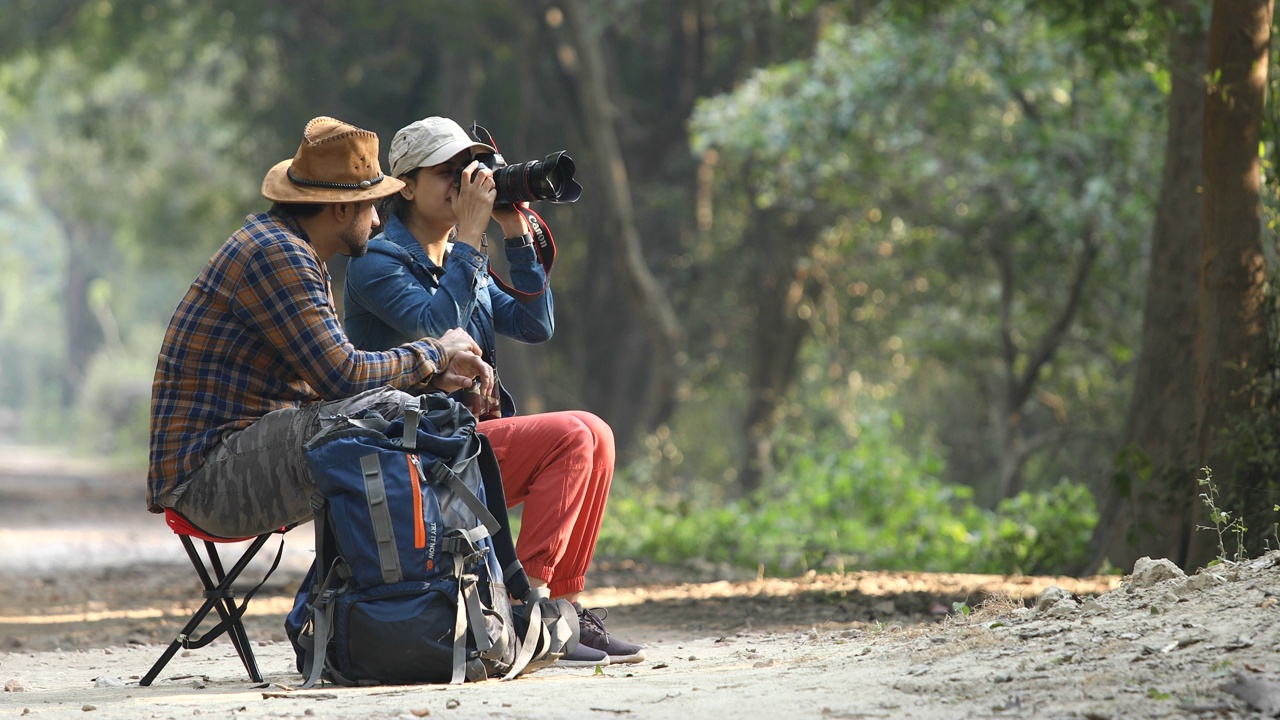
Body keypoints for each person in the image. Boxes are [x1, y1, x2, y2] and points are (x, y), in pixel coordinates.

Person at [343, 116, 643, 666]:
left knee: (596, 433)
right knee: (572, 435)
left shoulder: (464, 257)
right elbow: (440, 328)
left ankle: (565, 613)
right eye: (447, 173)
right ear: (406, 185)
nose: (464, 184)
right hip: (415, 456)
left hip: (465, 447)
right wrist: (474, 239)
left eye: (469, 170)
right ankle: (525, 607)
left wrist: (513, 233)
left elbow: (537, 325)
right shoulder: (377, 263)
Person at [146, 115, 492, 547]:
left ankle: (407, 584)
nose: (379, 222)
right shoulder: (278, 254)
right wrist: (436, 353)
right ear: (341, 208)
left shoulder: (291, 249)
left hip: (229, 464)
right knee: (383, 418)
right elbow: (344, 377)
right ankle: (422, 585)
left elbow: (333, 382)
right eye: (370, 205)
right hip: (207, 482)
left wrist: (427, 376)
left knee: (391, 413)